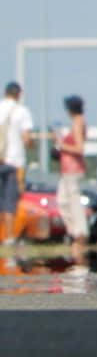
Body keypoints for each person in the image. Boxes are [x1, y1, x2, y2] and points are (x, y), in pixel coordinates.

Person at [56, 95, 88, 261]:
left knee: (74, 203)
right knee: (62, 201)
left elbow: (80, 148)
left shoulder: (77, 122)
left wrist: (61, 145)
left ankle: (80, 234)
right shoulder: (79, 121)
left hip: (72, 169)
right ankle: (74, 232)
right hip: (67, 169)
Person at [0, 82, 32, 246]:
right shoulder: (22, 111)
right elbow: (26, 139)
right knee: (10, 202)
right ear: (19, 94)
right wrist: (31, 145)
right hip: (14, 162)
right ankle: (9, 237)